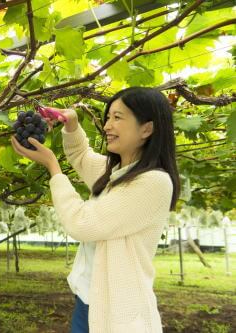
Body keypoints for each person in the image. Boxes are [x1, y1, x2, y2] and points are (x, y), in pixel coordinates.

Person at [11, 87, 180, 333]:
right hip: (88, 301)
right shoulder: (116, 173)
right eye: (108, 117)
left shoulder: (153, 182)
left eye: (118, 118)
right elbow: (80, 155)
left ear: (147, 128)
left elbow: (81, 223)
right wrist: (71, 124)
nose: (107, 126)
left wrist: (52, 167)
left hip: (119, 312)